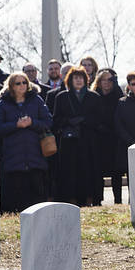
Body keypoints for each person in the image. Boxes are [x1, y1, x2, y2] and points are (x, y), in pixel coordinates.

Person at [0, 73, 53, 213]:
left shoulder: (36, 100)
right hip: (13, 160)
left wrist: (32, 123)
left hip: (35, 156)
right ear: (11, 86)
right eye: (18, 83)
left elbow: (48, 121)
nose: (22, 86)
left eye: (24, 82)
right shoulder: (4, 103)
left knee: (37, 200)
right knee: (16, 201)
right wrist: (16, 125)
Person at [53, 66, 100, 205]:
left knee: (88, 171)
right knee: (69, 171)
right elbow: (56, 120)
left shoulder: (93, 96)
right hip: (69, 141)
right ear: (70, 80)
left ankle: (90, 199)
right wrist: (69, 121)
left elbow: (99, 119)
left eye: (81, 78)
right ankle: (70, 199)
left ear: (86, 80)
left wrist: (84, 120)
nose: (78, 80)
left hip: (89, 141)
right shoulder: (62, 97)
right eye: (75, 78)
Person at [91, 69, 124, 205]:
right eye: (103, 79)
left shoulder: (118, 95)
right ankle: (97, 200)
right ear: (98, 82)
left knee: (116, 171)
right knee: (97, 170)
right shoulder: (93, 96)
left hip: (114, 137)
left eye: (110, 80)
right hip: (98, 137)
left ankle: (118, 200)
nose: (107, 83)